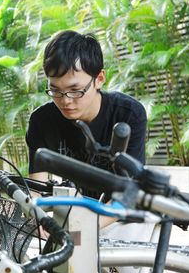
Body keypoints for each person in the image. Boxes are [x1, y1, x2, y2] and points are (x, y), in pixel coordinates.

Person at [26, 30, 147, 199]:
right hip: (79, 209)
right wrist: (38, 219)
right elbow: (36, 190)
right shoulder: (42, 121)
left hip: (122, 213)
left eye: (75, 90)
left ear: (99, 79)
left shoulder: (128, 114)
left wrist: (89, 225)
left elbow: (129, 194)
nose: (65, 101)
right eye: (55, 90)